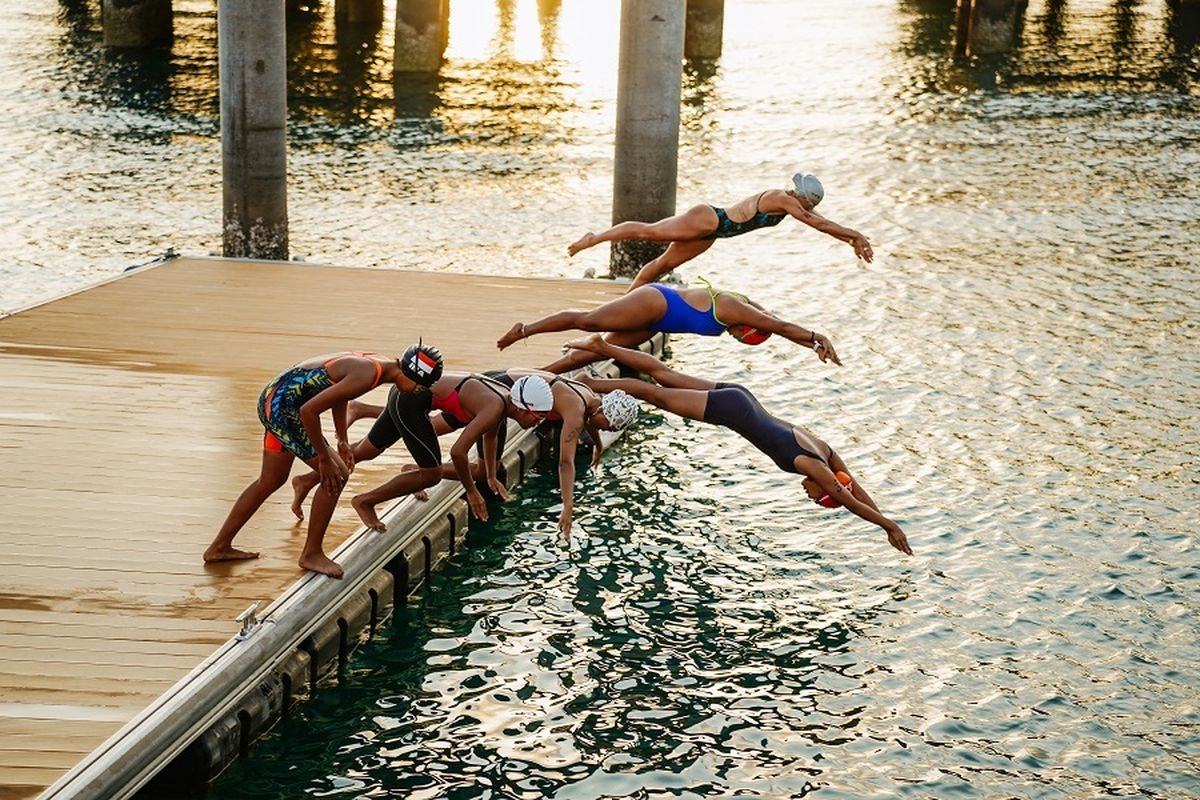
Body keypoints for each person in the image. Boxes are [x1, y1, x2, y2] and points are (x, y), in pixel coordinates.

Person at [566, 335, 912, 555]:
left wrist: (886, 518)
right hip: (732, 410)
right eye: (816, 496)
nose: (808, 495)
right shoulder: (814, 466)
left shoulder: (824, 450)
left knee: (665, 376)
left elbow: (854, 489)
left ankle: (602, 347)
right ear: (823, 488)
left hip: (744, 399)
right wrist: (888, 527)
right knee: (655, 393)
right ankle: (590, 380)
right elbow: (848, 499)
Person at [203, 343, 446, 579]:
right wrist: (323, 459)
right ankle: (311, 553)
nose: (419, 392)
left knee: (271, 480)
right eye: (420, 386)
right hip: (285, 410)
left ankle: (219, 547)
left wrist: (342, 439)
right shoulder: (369, 374)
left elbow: (338, 395)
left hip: (275, 399)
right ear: (409, 374)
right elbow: (308, 411)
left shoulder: (377, 366)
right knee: (337, 475)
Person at [296, 371, 539, 532]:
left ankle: (307, 480)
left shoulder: (503, 400)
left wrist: (490, 476)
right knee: (431, 474)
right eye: (538, 417)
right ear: (525, 408)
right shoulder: (495, 406)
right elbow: (458, 452)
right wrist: (472, 491)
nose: (538, 422)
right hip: (410, 402)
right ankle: (365, 501)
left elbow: (492, 435)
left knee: (368, 450)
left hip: (404, 394)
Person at [566, 173, 874, 290]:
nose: (808, 207)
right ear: (802, 196)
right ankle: (593, 238)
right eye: (808, 202)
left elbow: (824, 223)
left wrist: (851, 239)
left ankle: (625, 304)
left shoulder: (796, 206)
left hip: (713, 233)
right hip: (708, 219)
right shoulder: (783, 199)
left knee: (662, 266)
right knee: (649, 233)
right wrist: (855, 235)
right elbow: (819, 224)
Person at [496, 278, 840, 374]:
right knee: (587, 321)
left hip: (657, 322)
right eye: (741, 336)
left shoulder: (744, 311)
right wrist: (815, 338)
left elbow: (771, 319)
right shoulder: (733, 308)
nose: (734, 336)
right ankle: (523, 329)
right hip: (655, 302)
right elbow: (778, 326)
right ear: (744, 327)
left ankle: (542, 374)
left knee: (598, 352)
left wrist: (811, 343)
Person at [480, 368, 640, 535]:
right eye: (610, 427)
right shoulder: (576, 412)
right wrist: (568, 506)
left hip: (495, 380)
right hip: (493, 391)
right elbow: (565, 463)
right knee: (482, 472)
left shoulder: (588, 396)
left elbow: (590, 421)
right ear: (603, 411)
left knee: (489, 470)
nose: (609, 431)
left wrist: (598, 446)